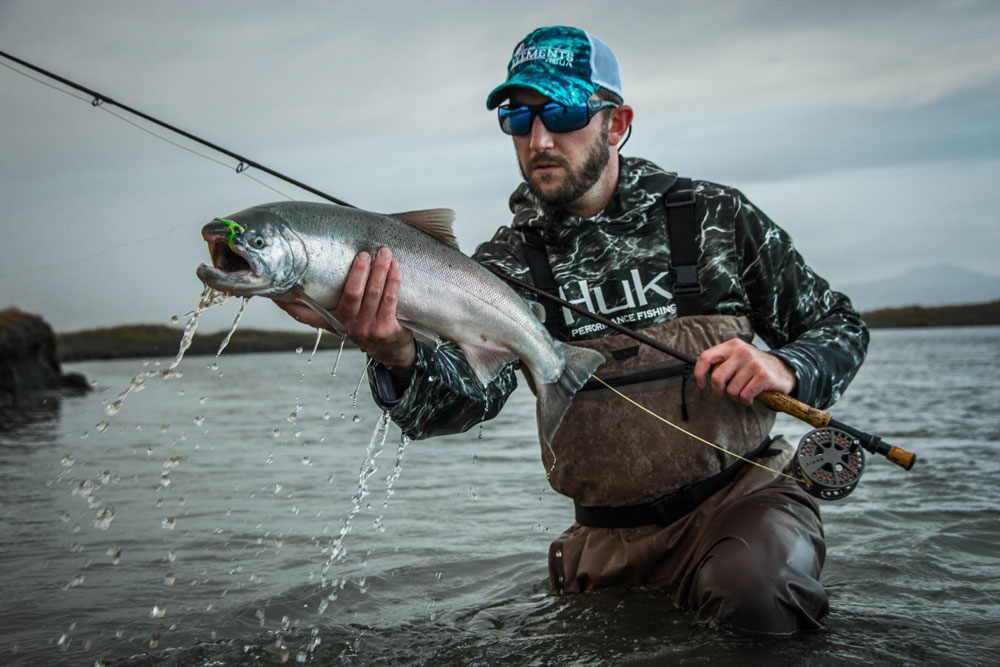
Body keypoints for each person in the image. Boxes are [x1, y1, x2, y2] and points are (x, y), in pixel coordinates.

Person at [279, 26, 869, 635]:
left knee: (755, 597)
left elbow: (841, 325)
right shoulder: (499, 267)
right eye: (518, 117)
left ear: (616, 123)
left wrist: (789, 366)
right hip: (603, 539)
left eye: (561, 111)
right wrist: (393, 352)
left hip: (745, 502)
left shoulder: (718, 217)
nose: (539, 139)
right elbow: (460, 403)